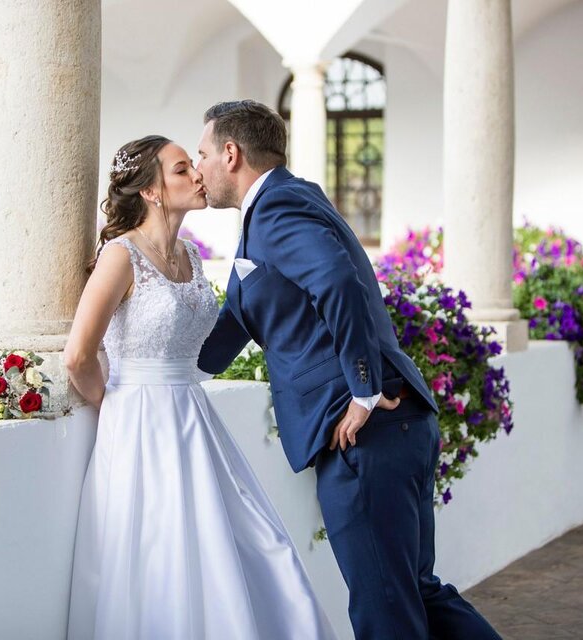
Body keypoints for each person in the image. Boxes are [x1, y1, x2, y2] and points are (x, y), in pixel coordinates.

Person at [195, 100, 502, 640]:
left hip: (364, 430)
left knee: (385, 608)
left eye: (201, 155)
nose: (198, 170)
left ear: (230, 152)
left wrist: (362, 390)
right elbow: (242, 317)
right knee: (416, 592)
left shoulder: (276, 210)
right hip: (396, 423)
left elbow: (339, 282)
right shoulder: (288, 201)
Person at [64, 134, 337, 640]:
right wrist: (116, 404)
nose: (196, 175)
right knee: (159, 555)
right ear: (150, 191)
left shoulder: (190, 255)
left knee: (242, 542)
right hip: (138, 424)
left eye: (194, 164)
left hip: (193, 417)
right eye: (181, 169)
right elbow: (79, 354)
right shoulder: (120, 257)